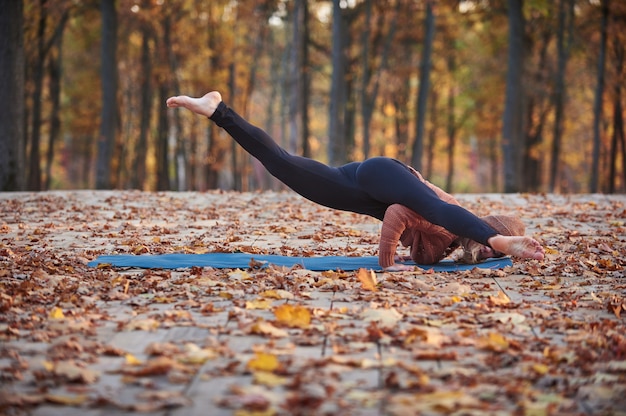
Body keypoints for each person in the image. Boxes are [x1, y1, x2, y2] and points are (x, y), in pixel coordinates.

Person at [166, 91, 545, 271]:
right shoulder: (454, 223)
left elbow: (421, 250)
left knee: (281, 164)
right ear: (484, 234)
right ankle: (218, 109)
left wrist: (413, 260)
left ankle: (216, 109)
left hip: (357, 189)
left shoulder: (453, 245)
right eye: (492, 248)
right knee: (433, 207)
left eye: (493, 252)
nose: (489, 256)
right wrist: (387, 265)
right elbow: (407, 211)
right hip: (383, 175)